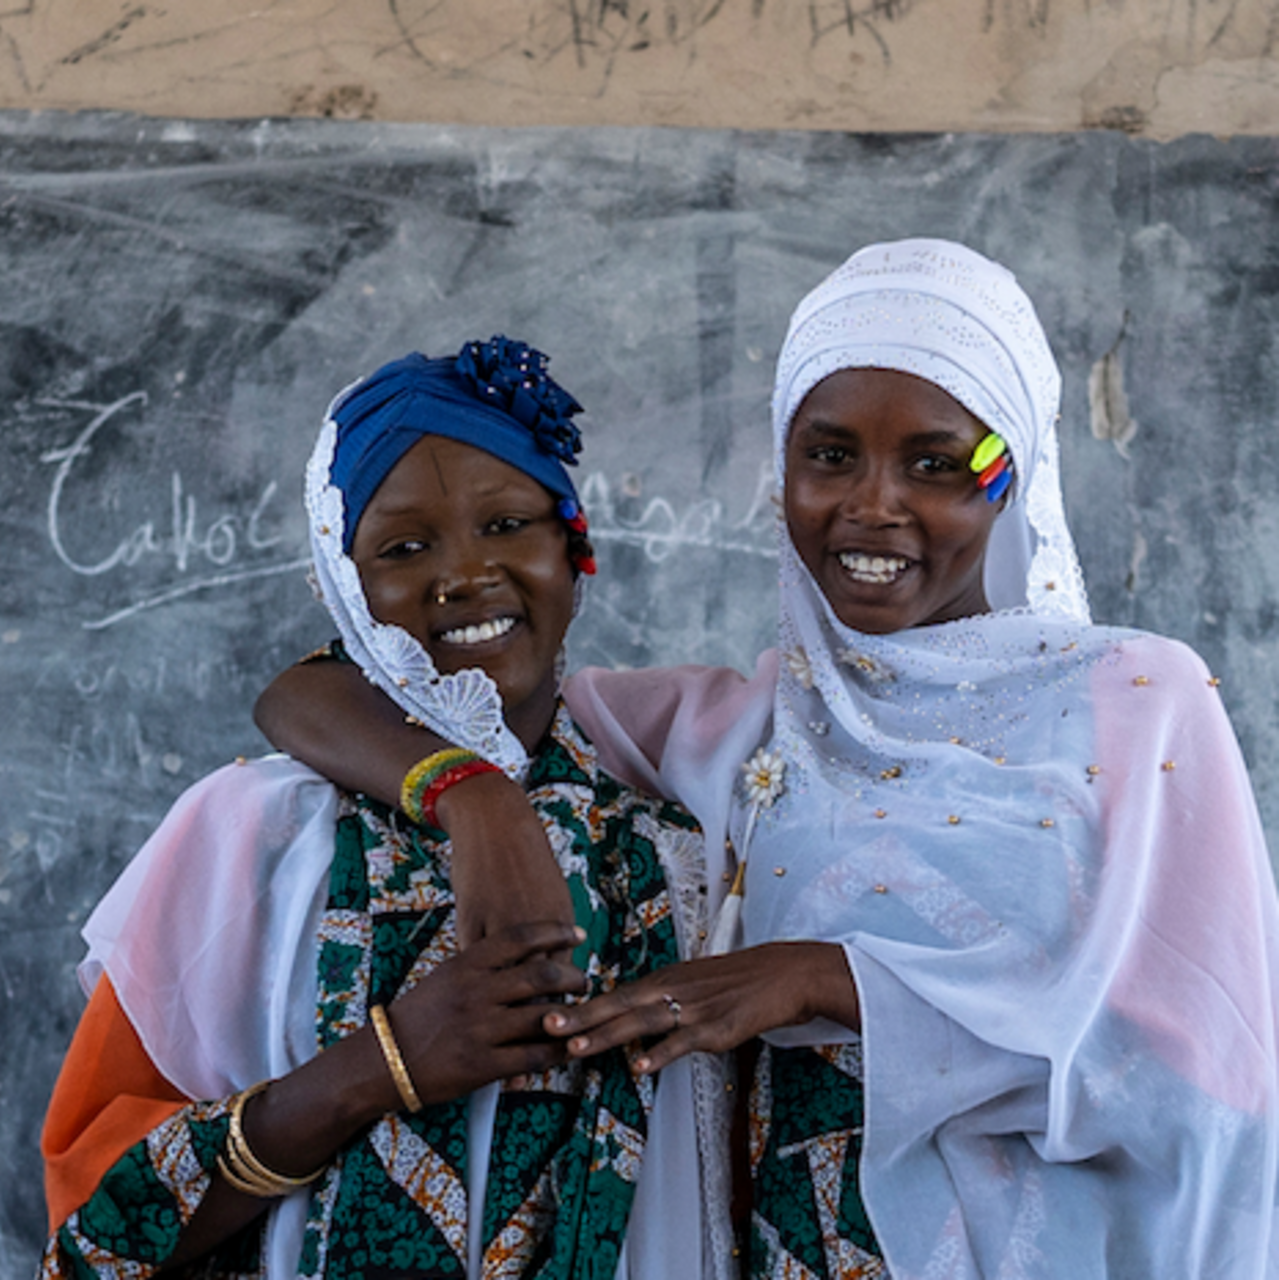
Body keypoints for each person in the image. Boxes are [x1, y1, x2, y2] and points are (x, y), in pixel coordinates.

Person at [255, 240, 1279, 1278]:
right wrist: (474, 801)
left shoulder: (1135, 701)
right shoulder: (740, 727)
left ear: (1012, 474)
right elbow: (319, 686)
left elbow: (1207, 1071)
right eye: (826, 454)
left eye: (937, 461)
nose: (871, 504)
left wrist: (822, 979)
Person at [37, 337, 738, 1280]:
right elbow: (91, 1216)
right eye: (405, 548)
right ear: (345, 586)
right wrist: (385, 1065)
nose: (465, 574)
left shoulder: (671, 848)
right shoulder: (255, 834)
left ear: (575, 551)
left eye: (508, 525)